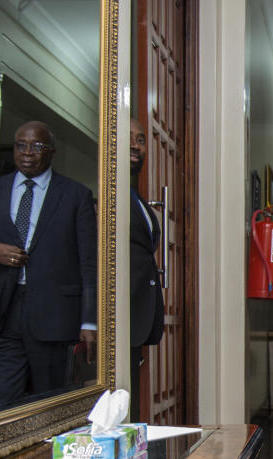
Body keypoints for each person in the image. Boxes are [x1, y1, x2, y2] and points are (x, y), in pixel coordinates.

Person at [0, 121, 96, 406]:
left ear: (52, 152)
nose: (27, 153)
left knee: (50, 402)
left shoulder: (75, 195)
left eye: (36, 146)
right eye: (21, 145)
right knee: (4, 402)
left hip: (55, 316)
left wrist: (89, 320)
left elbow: (88, 263)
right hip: (2, 313)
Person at [128, 118, 165, 421]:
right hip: (119, 314)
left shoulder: (136, 198)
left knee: (132, 397)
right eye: (128, 138)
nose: (134, 145)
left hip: (138, 313)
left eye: (140, 140)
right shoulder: (102, 195)